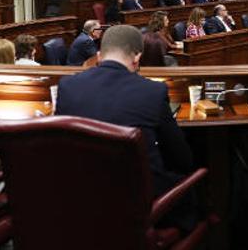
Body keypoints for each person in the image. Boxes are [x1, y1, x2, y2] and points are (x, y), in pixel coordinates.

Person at [55, 25, 194, 205]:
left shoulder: (67, 86)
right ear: (137, 57)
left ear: (99, 56)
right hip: (139, 204)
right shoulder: (153, 91)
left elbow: (62, 150)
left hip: (82, 199)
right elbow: (182, 159)